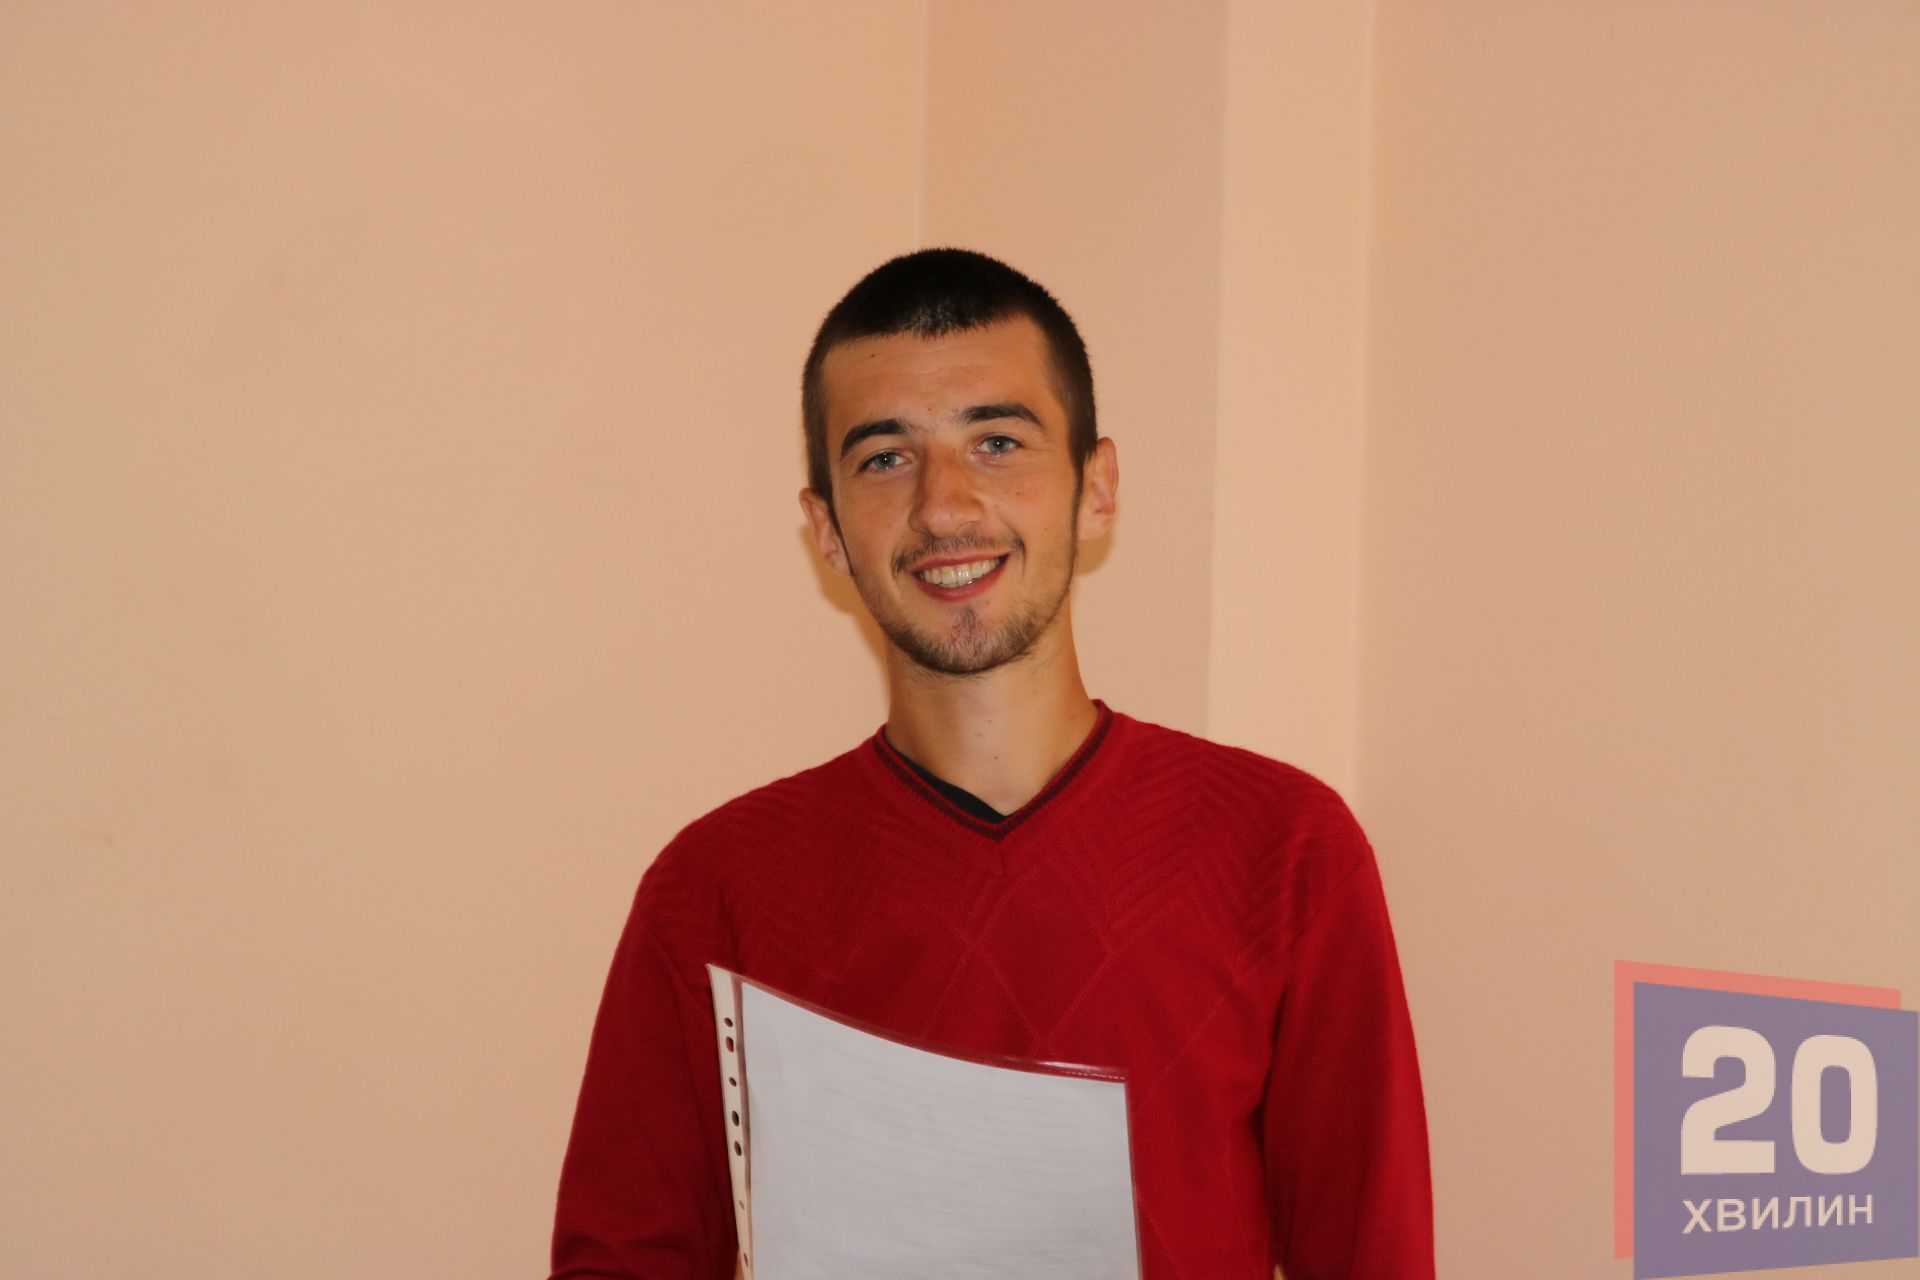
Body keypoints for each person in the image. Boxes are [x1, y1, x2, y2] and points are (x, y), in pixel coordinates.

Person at [549, 248, 1433, 1279]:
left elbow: (1372, 1254)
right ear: (827, 530)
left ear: (1096, 488)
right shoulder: (715, 887)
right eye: (886, 458)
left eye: (998, 442)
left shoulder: (1285, 848)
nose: (945, 506)